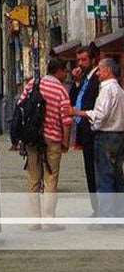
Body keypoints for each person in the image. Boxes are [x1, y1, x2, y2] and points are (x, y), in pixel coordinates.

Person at [18, 58, 72, 228]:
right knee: (50, 179)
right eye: (65, 71)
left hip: (33, 138)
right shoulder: (61, 91)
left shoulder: (33, 83)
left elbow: (20, 105)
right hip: (52, 138)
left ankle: (34, 221)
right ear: (60, 71)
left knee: (33, 179)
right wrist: (65, 141)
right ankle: (48, 220)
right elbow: (66, 120)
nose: (66, 74)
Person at [70, 57, 124, 220]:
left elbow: (100, 115)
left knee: (105, 177)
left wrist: (80, 113)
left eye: (100, 70)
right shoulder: (120, 90)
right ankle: (119, 213)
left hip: (106, 136)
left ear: (107, 71)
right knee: (117, 176)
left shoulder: (107, 90)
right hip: (118, 135)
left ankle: (107, 216)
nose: (98, 73)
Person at [68, 45, 100, 216]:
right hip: (84, 131)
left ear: (93, 59)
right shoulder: (85, 79)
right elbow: (72, 99)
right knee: (89, 170)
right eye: (78, 60)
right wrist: (77, 82)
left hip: (94, 131)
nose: (80, 64)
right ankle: (96, 207)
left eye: (84, 60)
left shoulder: (97, 78)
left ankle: (101, 208)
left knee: (96, 171)